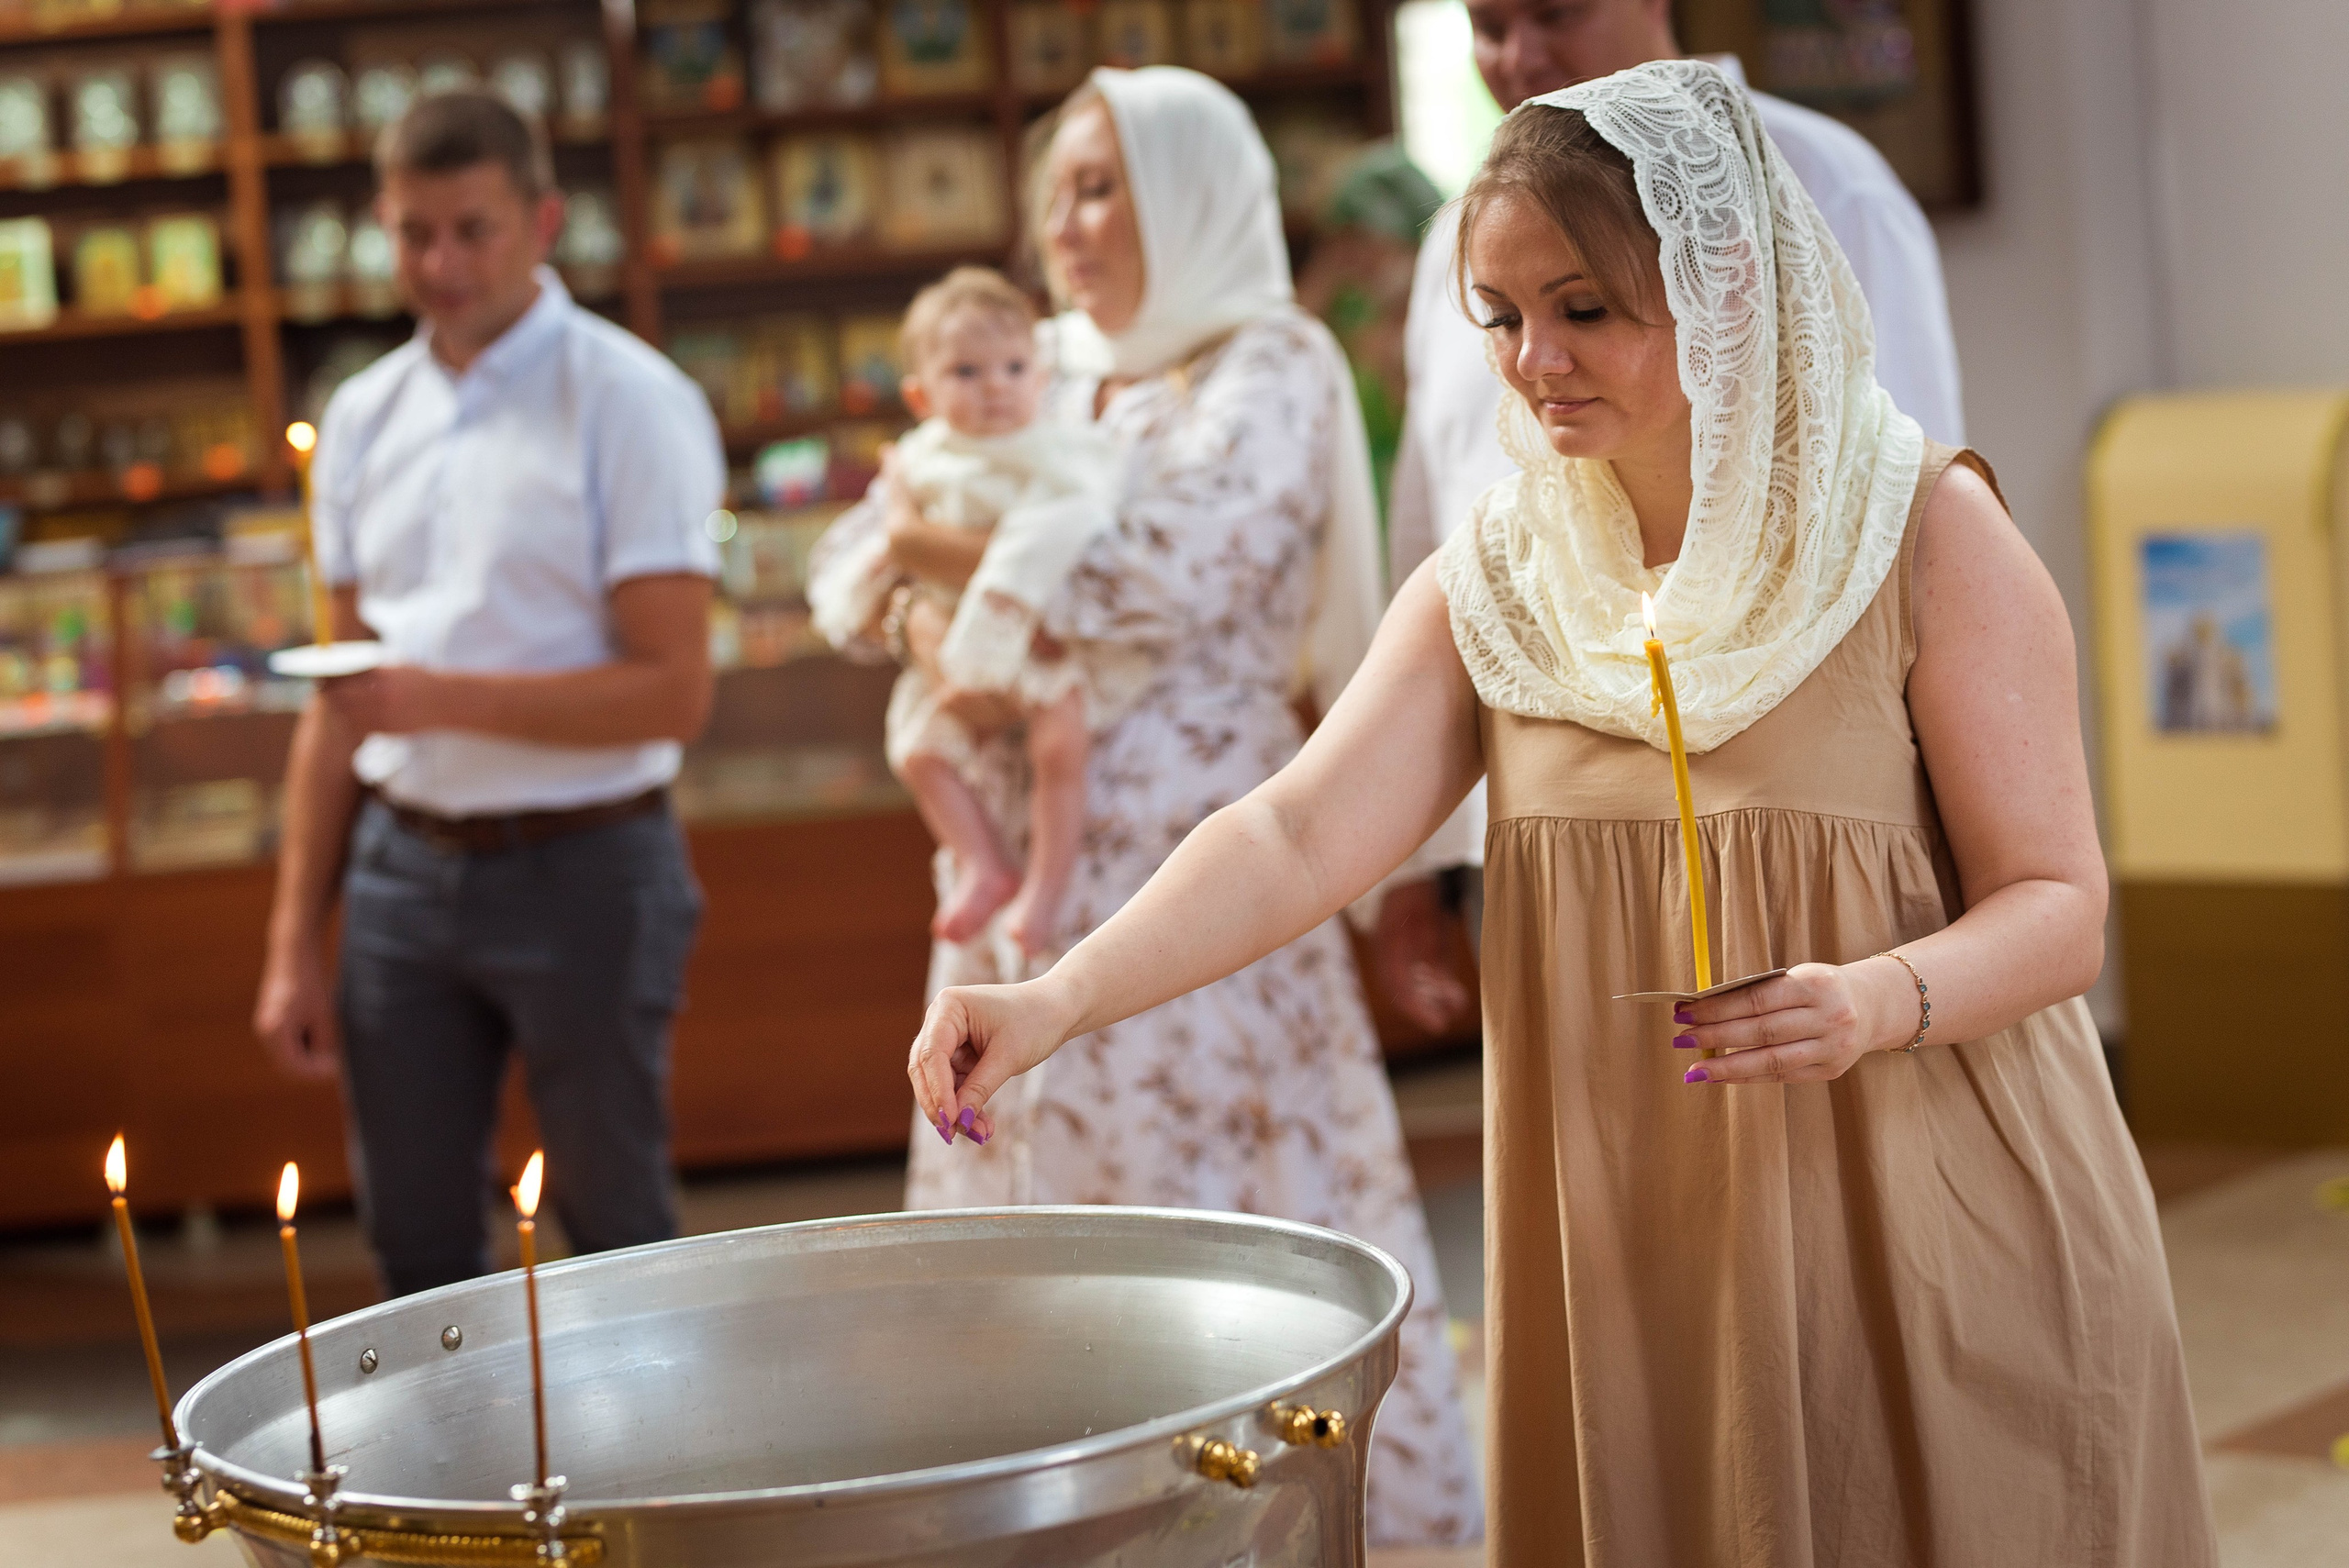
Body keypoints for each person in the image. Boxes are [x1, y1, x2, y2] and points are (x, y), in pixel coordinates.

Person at [908, 61, 2215, 1563]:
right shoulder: (1505, 579)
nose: (1534, 359)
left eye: (1584, 306)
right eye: (1501, 314)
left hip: (1932, 1217)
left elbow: (2061, 903)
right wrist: (1057, 994)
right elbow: (1296, 828)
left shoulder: (1924, 530)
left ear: (1722, 277)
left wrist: (1876, 996)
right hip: (1633, 1256)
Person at [811, 65, 1482, 1547]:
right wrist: (947, 606)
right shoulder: (1044, 360)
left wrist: (946, 561)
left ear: (1192, 195)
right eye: (1055, 185)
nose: (1067, 221)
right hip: (1016, 890)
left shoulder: (1272, 360)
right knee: (1022, 1250)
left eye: (1105, 185)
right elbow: (855, 564)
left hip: (1203, 885)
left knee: (1216, 1261)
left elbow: (1165, 574)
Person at [1376, 0, 1966, 1032]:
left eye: (1552, 13)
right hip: (1541, 799)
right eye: (1485, 23)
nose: (1517, 54)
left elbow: (1887, 504)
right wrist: (1417, 863)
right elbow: (1436, 513)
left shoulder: (1829, 186)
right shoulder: (1463, 233)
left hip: (1804, 801)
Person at [251, 92, 726, 1299]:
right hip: (400, 876)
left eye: (474, 229)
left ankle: (639, 1490)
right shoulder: (360, 418)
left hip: (590, 865)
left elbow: (672, 695)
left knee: (615, 1232)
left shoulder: (629, 398)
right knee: (414, 1246)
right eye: (414, 233)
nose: (441, 263)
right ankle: (448, 1493)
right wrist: (292, 942)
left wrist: (437, 697)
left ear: (544, 221)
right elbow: (341, 705)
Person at [809, 267, 1128, 959]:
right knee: (917, 751)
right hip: (944, 646)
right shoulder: (919, 462)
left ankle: (1046, 886)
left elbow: (1079, 525)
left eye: (1014, 366)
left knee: (1060, 746)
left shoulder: (1055, 449)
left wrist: (935, 554)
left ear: (1040, 378)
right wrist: (877, 581)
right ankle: (983, 861)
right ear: (921, 395)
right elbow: (866, 555)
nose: (995, 385)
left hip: (1032, 639)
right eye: (967, 371)